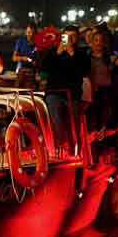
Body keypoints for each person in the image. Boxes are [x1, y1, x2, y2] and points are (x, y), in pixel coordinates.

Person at [40, 25, 90, 156]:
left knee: (74, 124)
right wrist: (57, 53)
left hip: (73, 94)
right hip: (55, 92)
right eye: (67, 36)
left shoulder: (82, 54)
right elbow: (44, 67)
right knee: (56, 119)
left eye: (73, 36)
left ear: (78, 38)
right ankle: (60, 147)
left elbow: (84, 71)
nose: (70, 39)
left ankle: (75, 150)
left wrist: (72, 54)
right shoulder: (53, 51)